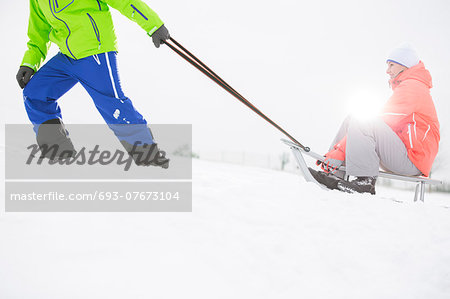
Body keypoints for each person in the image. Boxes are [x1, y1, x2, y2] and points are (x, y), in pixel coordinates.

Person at [16, 0, 171, 168]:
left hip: (94, 50)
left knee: (112, 105)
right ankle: (59, 153)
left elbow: (126, 2)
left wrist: (154, 25)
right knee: (35, 93)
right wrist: (29, 63)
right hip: (67, 56)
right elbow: (39, 32)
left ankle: (149, 157)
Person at [309, 43, 440, 194]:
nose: (387, 70)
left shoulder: (413, 88)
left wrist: (339, 152)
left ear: (404, 65)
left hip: (413, 160)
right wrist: (336, 153)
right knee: (353, 118)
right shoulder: (410, 86)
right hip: (404, 154)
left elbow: (381, 120)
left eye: (391, 65)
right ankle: (334, 172)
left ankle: (365, 182)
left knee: (363, 119)